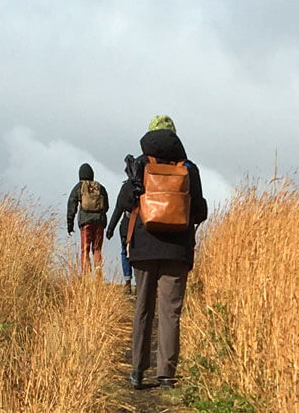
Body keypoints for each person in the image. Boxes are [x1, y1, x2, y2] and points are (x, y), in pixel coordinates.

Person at [114, 115, 208, 390]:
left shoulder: (141, 164)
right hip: (176, 250)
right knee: (170, 312)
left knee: (142, 309)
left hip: (144, 246)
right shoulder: (189, 168)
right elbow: (200, 211)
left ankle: (137, 372)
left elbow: (126, 201)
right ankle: (166, 374)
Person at [66, 163, 109, 274]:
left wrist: (70, 225)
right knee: (97, 249)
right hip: (99, 222)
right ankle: (98, 274)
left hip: (85, 223)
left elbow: (71, 206)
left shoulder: (79, 187)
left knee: (85, 249)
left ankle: (86, 276)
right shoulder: (100, 187)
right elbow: (106, 206)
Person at [106, 155, 137, 294]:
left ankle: (127, 282)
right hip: (140, 227)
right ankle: (140, 283)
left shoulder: (125, 188)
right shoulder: (143, 186)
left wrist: (110, 229)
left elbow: (118, 209)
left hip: (125, 227)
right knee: (138, 255)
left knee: (125, 253)